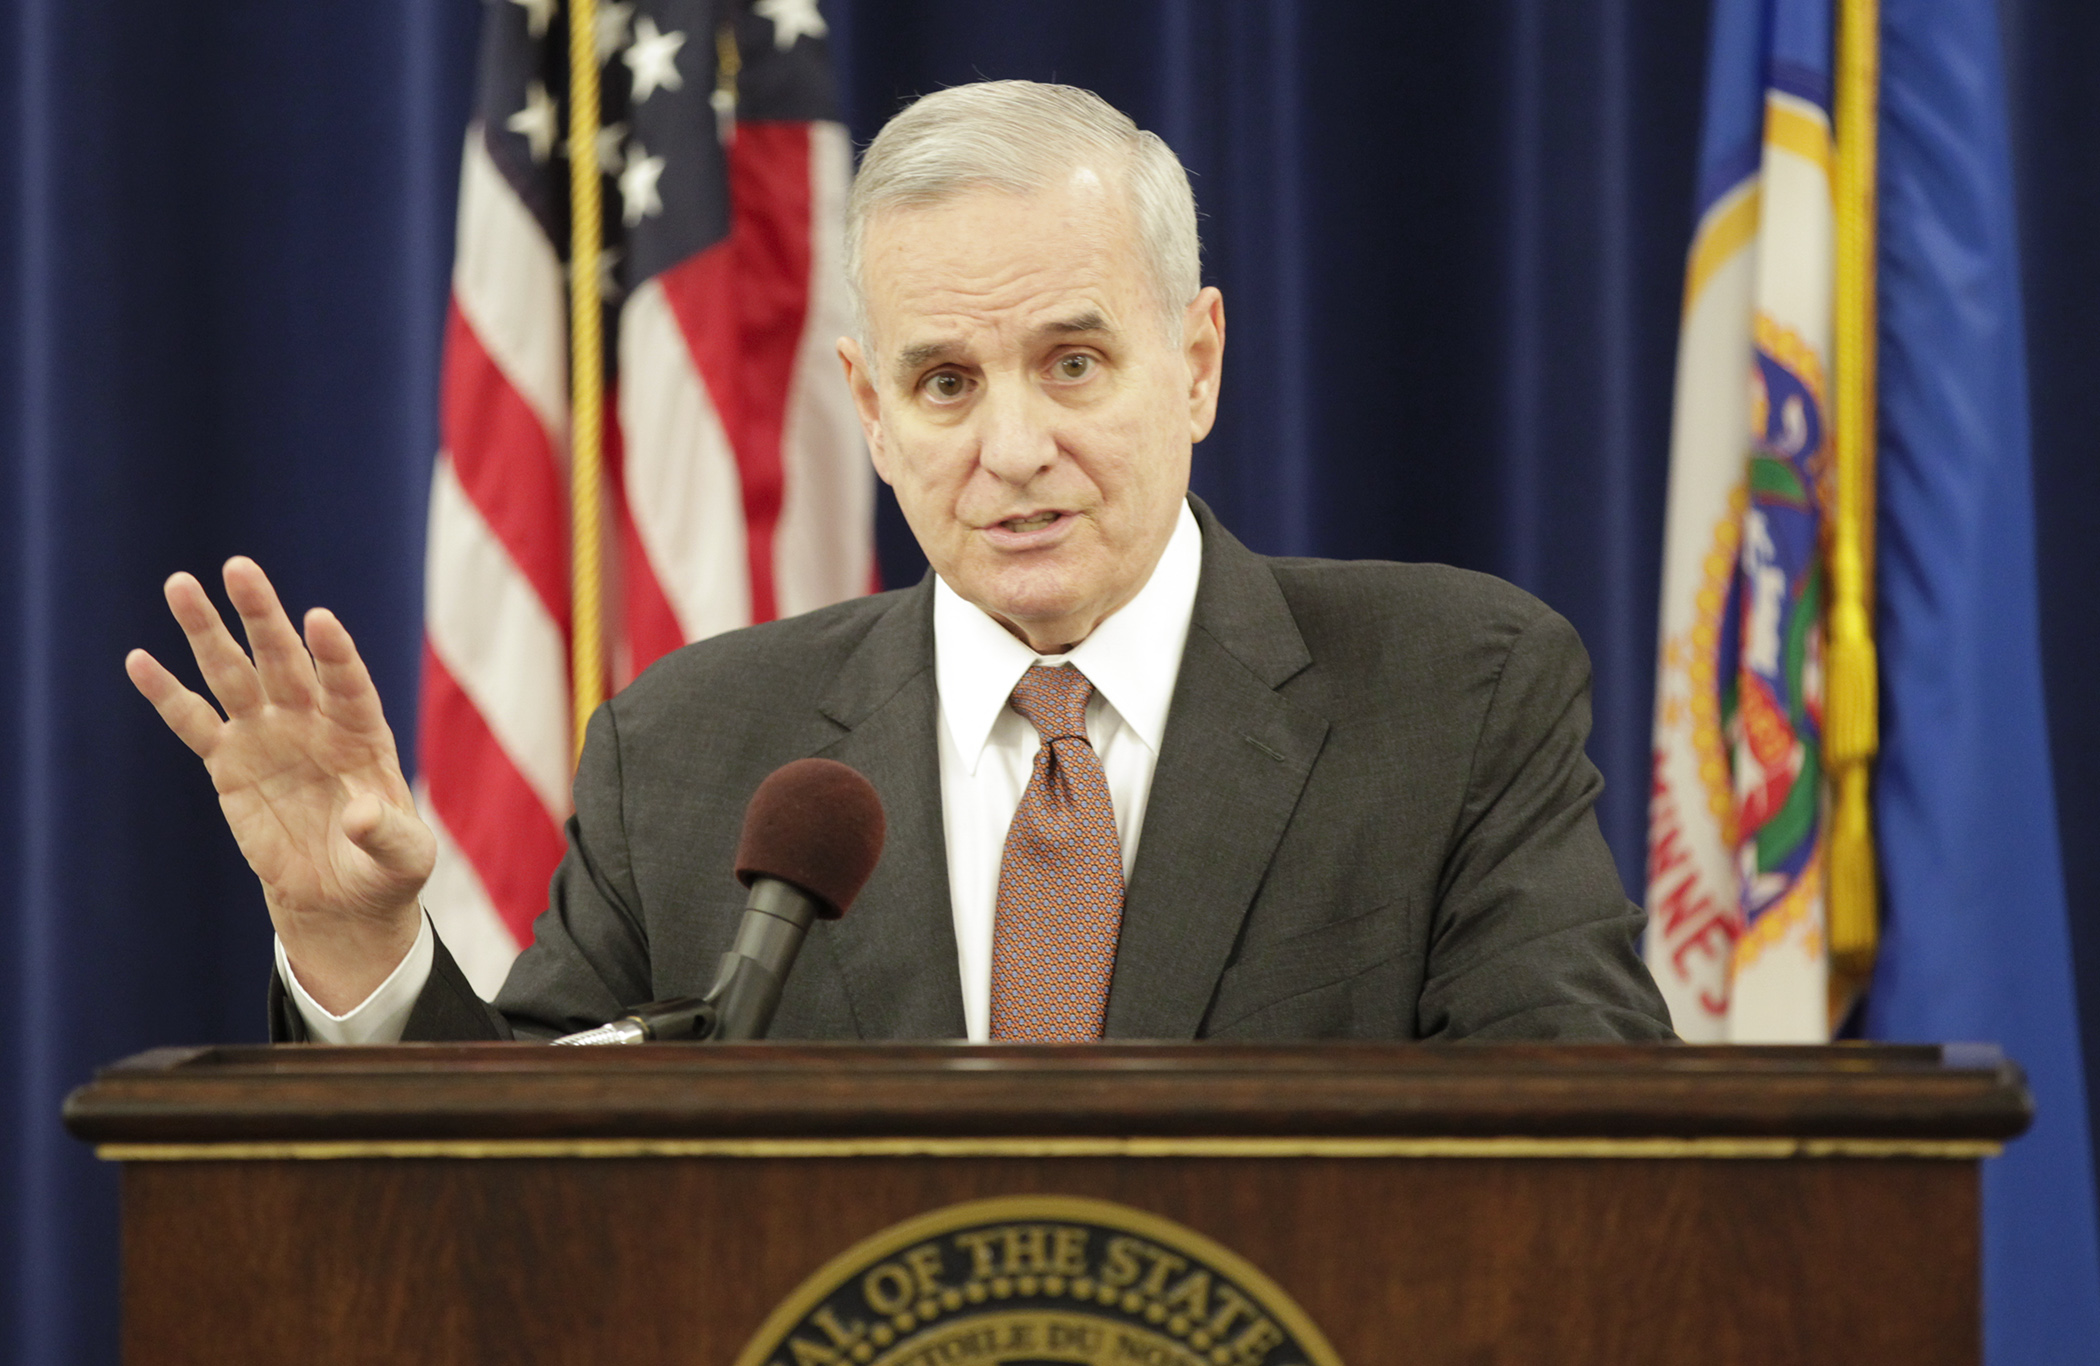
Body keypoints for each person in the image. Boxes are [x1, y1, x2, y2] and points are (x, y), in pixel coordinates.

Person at [127, 81, 1673, 1045]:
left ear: (1195, 364)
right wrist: (358, 946)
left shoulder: (1453, 694)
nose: (1010, 449)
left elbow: (1588, 1154)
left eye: (1073, 362)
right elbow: (527, 1201)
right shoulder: (691, 750)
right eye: (946, 383)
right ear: (869, 408)